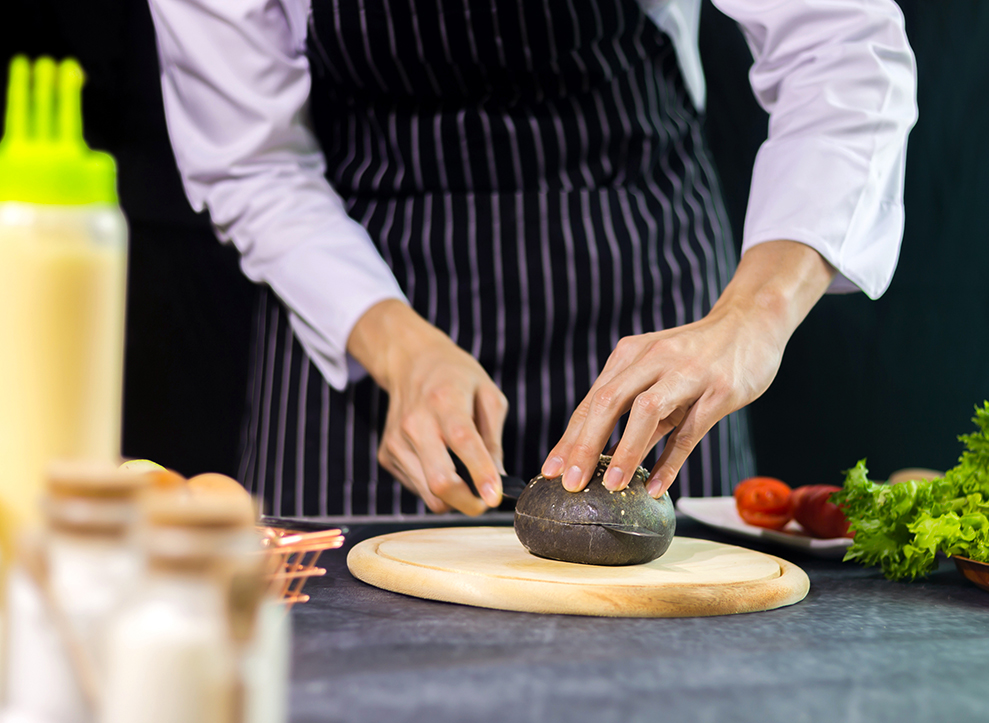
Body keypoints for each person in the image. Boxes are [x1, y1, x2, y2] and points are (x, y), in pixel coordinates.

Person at [145, 0, 917, 519]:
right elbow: (252, 161)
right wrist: (399, 349)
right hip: (354, 305)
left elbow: (841, 48)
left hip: (639, 277)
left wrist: (752, 318)